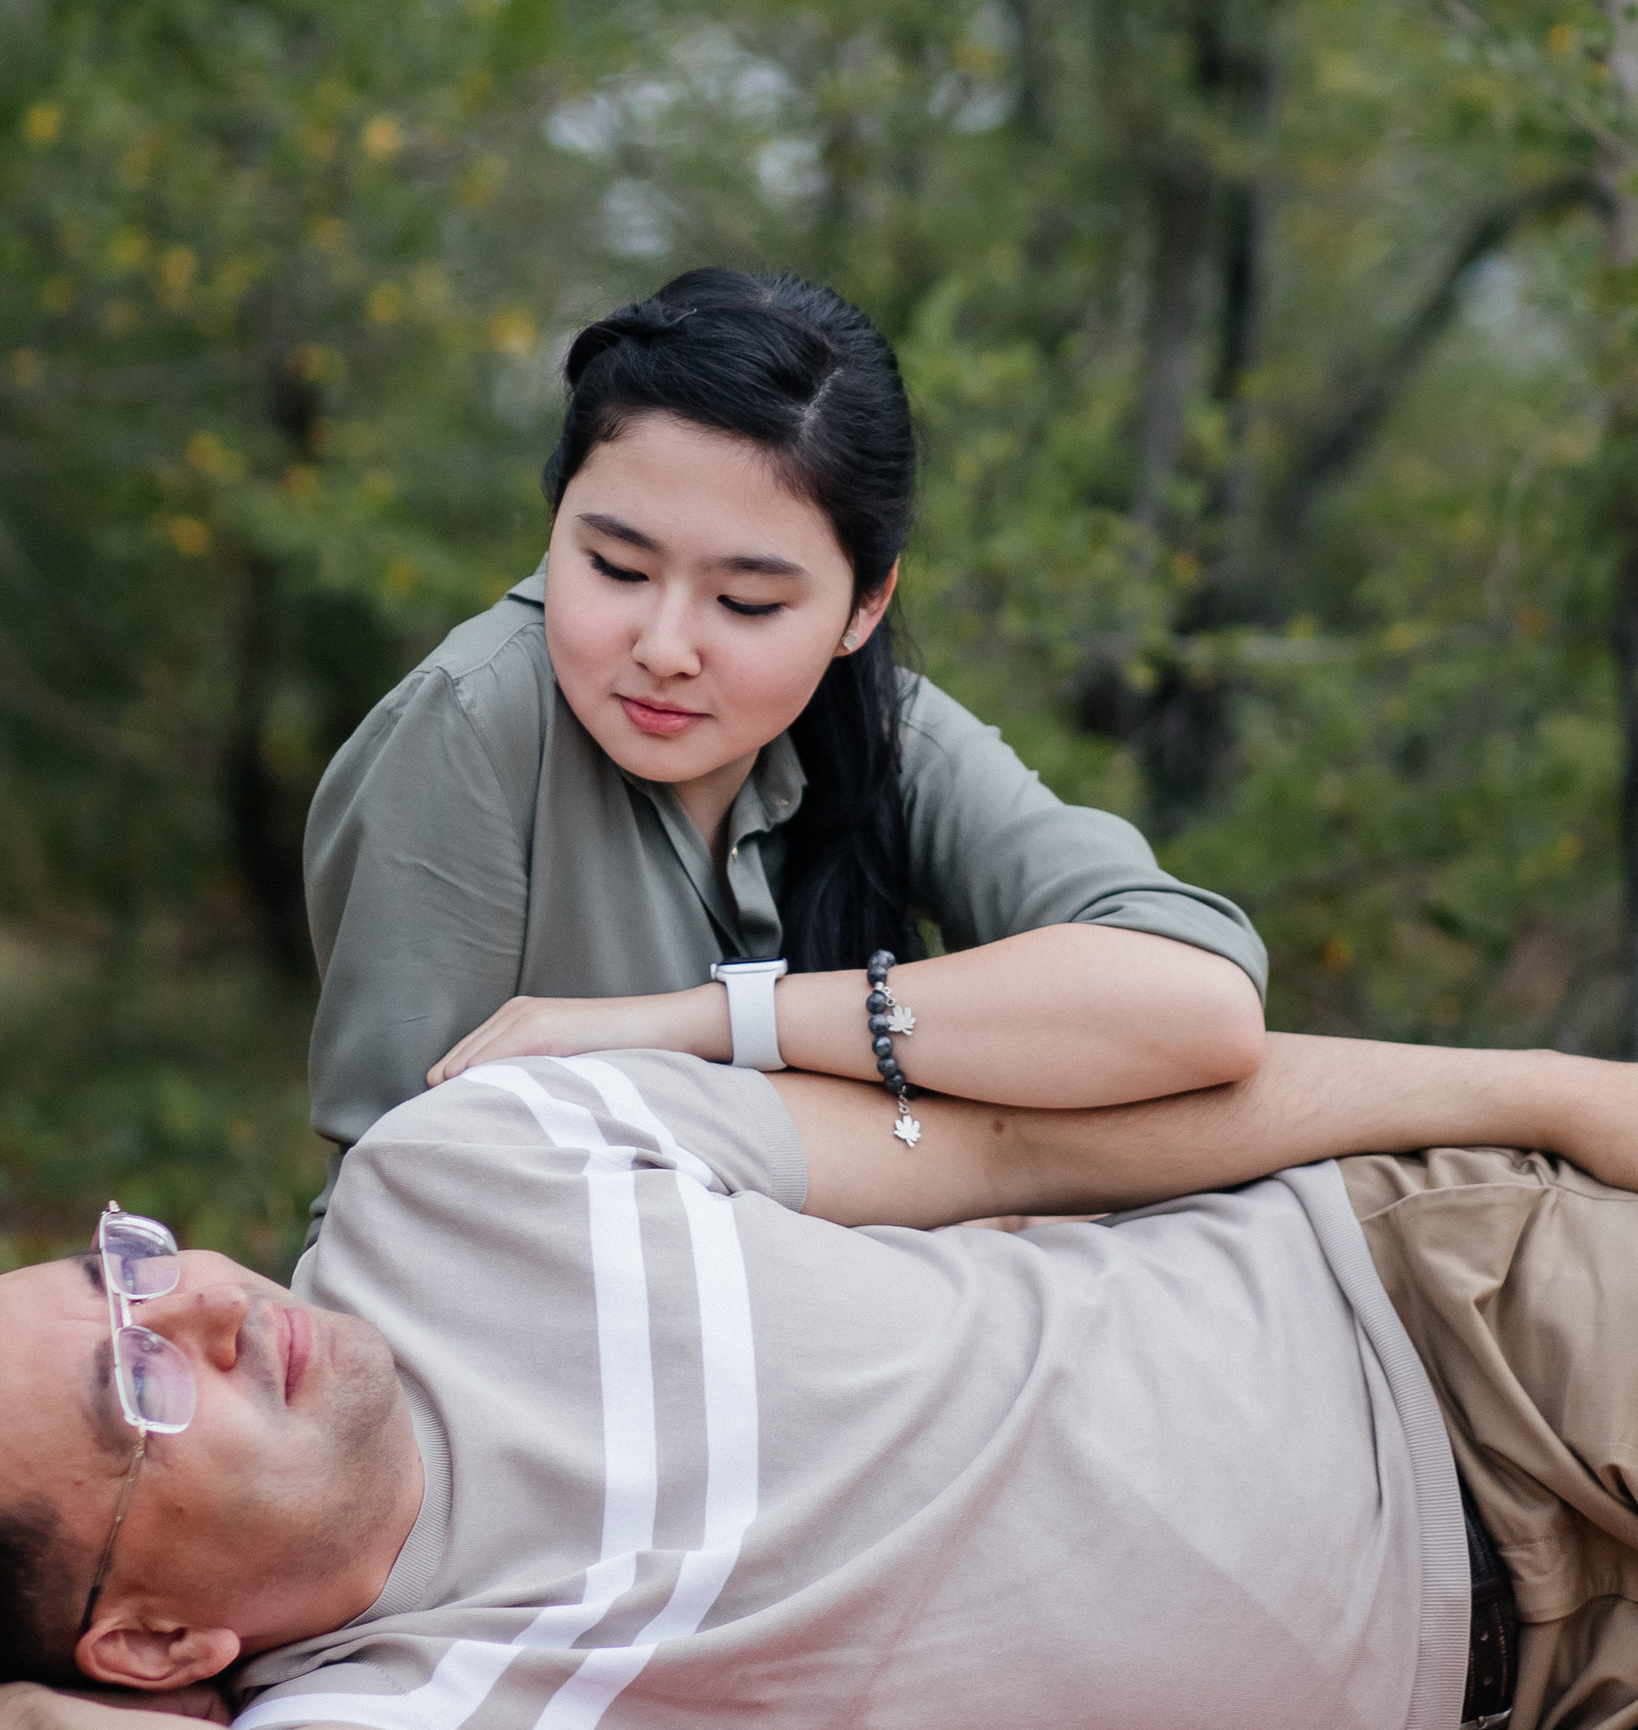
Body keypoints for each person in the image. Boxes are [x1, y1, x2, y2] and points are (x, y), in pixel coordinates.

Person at [0, 985, 1638, 1730]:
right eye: (136, 1384)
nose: (203, 1302)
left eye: (126, 1269)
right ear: (147, 1643)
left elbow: (1039, 1143)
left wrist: (1561, 1091)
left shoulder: (472, 1168)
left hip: (1472, 1336)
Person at [304, 268, 1269, 1206]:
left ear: (865, 604)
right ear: (557, 520)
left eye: (746, 602)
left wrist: (716, 1023)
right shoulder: (472, 726)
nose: (666, 647)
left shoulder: (885, 726)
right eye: (615, 567)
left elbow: (1201, 1005)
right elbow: (394, 1195)